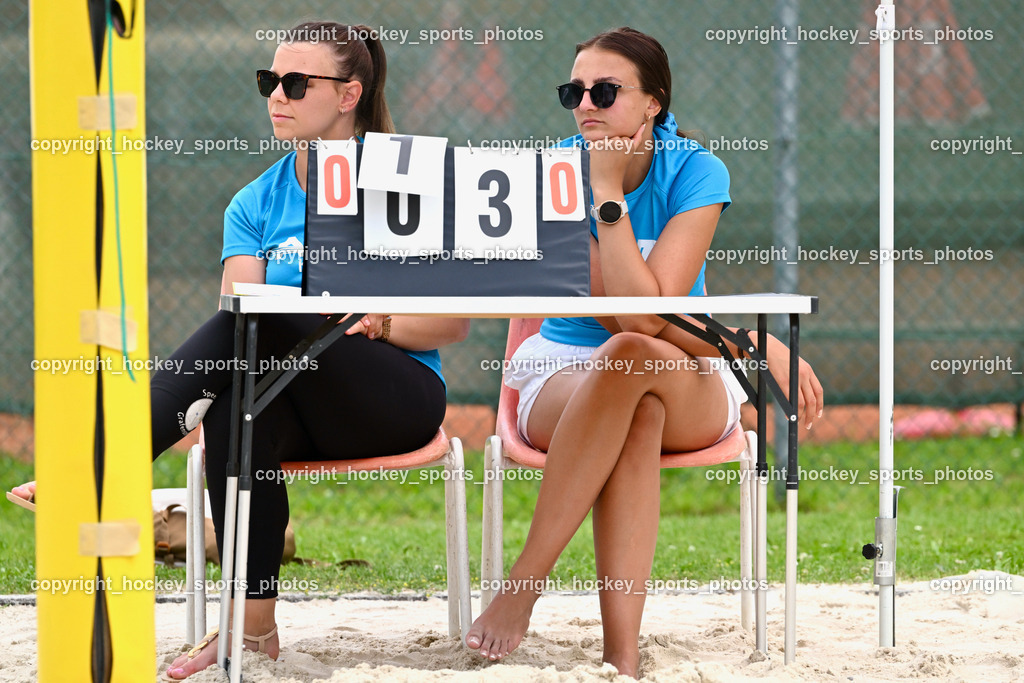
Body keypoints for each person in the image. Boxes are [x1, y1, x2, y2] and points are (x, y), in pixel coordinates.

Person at [12, 21, 469, 680]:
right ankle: (253, 633)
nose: (276, 96)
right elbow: (240, 334)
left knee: (267, 313)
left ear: (349, 95)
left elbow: (452, 323)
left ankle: (107, 461)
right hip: (291, 397)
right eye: (268, 81)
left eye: (295, 83)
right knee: (235, 407)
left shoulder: (407, 181)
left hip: (393, 397)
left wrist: (380, 320)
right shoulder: (255, 202)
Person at [464, 27, 823, 677]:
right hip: (564, 369)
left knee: (631, 356)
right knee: (636, 404)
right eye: (574, 91)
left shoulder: (697, 170)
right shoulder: (549, 173)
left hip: (684, 369)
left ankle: (523, 587)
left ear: (653, 102)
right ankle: (621, 655)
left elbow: (647, 318)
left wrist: (607, 196)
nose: (585, 104)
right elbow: (627, 313)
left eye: (605, 91)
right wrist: (745, 342)